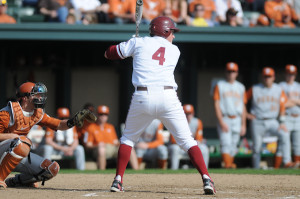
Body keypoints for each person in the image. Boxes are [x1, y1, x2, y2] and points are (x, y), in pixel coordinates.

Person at [104, 16, 216, 195]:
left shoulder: (139, 42)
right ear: (164, 31)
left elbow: (109, 53)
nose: (173, 36)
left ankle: (118, 180)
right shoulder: (175, 50)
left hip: (143, 96)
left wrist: (130, 43)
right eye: (172, 32)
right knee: (187, 141)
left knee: (127, 139)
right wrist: (135, 43)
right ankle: (206, 178)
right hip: (168, 97)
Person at [0, 82, 96, 188]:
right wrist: (13, 136)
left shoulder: (37, 113)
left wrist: (73, 121)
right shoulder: (7, 113)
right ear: (25, 98)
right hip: (4, 150)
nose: (40, 98)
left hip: (16, 151)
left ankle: (16, 181)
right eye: (35, 94)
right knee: (23, 143)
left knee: (51, 169)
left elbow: (58, 124)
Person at [246, 67, 294, 169]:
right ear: (262, 77)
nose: (267, 78)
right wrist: (246, 114)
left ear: (273, 77)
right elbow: (242, 100)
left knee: (285, 133)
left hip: (273, 120)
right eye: (265, 76)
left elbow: (282, 105)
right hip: (258, 120)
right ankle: (256, 169)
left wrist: (282, 122)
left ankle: (287, 162)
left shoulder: (278, 89)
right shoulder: (255, 88)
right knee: (256, 148)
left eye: (269, 76)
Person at [213, 62, 247, 169]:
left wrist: (243, 124)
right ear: (225, 72)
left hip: (237, 118)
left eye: (233, 71)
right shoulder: (219, 85)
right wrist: (221, 121)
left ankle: (229, 165)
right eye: (229, 71)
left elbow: (243, 107)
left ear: (237, 73)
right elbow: (216, 104)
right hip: (225, 117)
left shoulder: (241, 87)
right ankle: (227, 165)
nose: (231, 73)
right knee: (226, 143)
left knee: (233, 144)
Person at [85, 105, 138, 170]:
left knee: (129, 148)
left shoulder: (111, 127)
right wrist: (97, 145)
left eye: (105, 114)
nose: (103, 116)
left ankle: (137, 171)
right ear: (97, 115)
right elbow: (88, 145)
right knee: (101, 149)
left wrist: (124, 143)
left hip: (112, 148)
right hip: (98, 149)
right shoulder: (91, 127)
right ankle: (102, 173)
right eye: (101, 114)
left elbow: (115, 142)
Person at [169, 104, 209, 169]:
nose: (188, 116)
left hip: (192, 147)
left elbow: (199, 139)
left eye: (190, 113)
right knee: (174, 148)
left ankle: (205, 172)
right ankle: (174, 171)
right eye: (186, 113)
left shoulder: (197, 122)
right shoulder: (176, 122)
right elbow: (173, 141)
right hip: (180, 148)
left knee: (204, 148)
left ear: (193, 113)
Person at [279, 64, 300, 167]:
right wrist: (296, 101)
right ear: (285, 74)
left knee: (298, 143)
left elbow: (287, 102)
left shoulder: (298, 86)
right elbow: (281, 104)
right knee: (285, 141)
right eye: (289, 74)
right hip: (286, 116)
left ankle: (297, 163)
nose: (291, 76)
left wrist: (291, 100)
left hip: (298, 116)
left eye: (293, 74)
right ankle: (287, 163)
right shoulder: (280, 86)